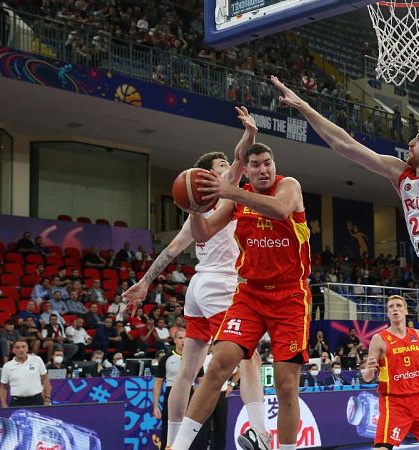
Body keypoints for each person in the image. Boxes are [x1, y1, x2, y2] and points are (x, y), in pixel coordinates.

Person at [273, 76, 419, 449]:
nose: (410, 142)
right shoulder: (401, 175)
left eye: (418, 138)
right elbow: (344, 144)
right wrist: (303, 106)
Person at [125, 108, 271, 450]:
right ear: (206, 176)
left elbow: (173, 249)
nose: (228, 170)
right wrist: (250, 134)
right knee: (248, 356)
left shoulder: (197, 212)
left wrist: (146, 281)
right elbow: (239, 158)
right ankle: (261, 432)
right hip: (221, 284)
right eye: (221, 168)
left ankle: (175, 442)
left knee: (187, 372)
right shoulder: (220, 191)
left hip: (198, 287)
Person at [170, 135, 311, 450]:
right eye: (256, 165)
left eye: (267, 163)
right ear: (246, 171)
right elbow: (203, 233)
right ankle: (178, 447)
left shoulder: (288, 186)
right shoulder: (236, 199)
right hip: (249, 295)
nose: (263, 170)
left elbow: (279, 210)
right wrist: (195, 208)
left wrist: (228, 190)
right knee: (219, 364)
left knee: (287, 386)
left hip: (290, 296)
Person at [361, 295, 419, 450]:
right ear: (388, 313)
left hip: (418, 401)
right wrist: (368, 370)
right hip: (394, 403)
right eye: (391, 307)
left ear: (406, 311)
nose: (395, 309)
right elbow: (368, 378)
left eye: (398, 305)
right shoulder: (379, 339)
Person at [153, 329, 211, 448]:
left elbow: (202, 382)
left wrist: (202, 402)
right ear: (174, 340)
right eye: (180, 338)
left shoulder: (195, 358)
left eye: (186, 337)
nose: (183, 341)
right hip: (171, 394)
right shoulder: (166, 359)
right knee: (168, 431)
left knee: (190, 432)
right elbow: (158, 383)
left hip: (190, 395)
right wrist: (155, 406)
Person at [0, 341, 51, 407]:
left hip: (36, 400)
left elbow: (45, 378)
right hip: (17, 402)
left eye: (23, 347)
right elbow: (3, 387)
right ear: (13, 350)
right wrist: (3, 404)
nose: (21, 350)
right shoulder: (7, 366)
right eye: (17, 347)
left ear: (27, 348)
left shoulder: (37, 360)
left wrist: (47, 397)